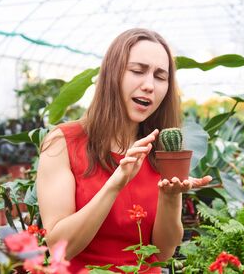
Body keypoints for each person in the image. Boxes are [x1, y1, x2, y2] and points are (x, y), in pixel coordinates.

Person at [36, 28, 212, 273]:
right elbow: (59, 248)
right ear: (112, 74)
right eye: (138, 71)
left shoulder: (161, 149)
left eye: (160, 77)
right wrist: (115, 184)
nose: (149, 85)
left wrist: (171, 196)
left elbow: (162, 253)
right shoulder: (64, 142)